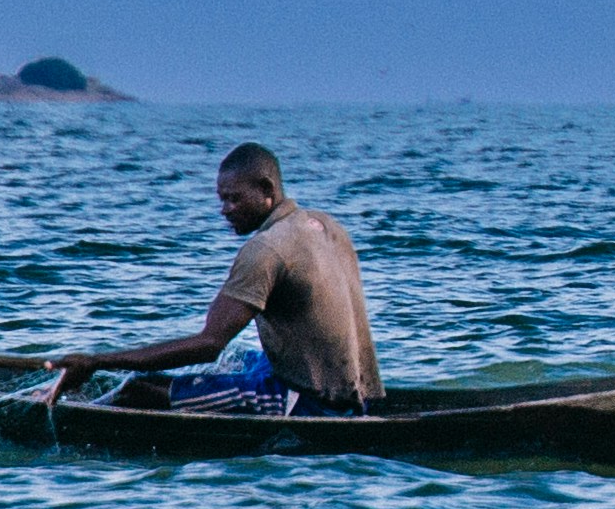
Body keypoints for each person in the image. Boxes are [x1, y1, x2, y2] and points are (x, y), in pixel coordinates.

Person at [46, 142, 378, 414]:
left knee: (138, 390)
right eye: (222, 199)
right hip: (356, 392)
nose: (225, 209)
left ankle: (66, 413)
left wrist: (97, 361)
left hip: (309, 402)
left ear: (266, 190)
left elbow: (209, 345)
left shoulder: (265, 249)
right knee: (239, 359)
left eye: (234, 198)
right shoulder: (325, 225)